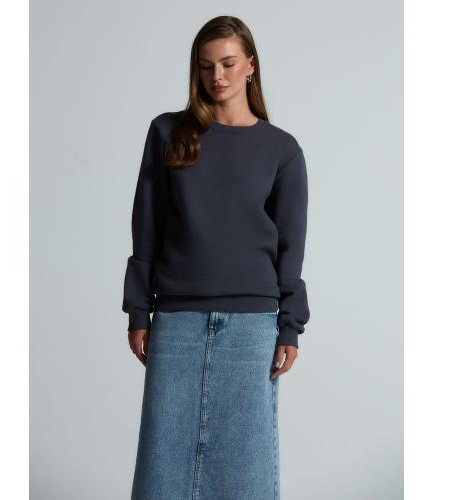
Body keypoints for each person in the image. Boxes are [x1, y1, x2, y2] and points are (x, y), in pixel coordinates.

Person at [122, 15, 310, 500]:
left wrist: (289, 325)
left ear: (251, 66)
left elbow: (291, 247)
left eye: (228, 63)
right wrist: (139, 310)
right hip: (176, 321)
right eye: (206, 66)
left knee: (244, 472)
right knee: (162, 470)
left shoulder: (282, 150)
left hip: (252, 326)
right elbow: (147, 226)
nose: (217, 76)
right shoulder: (168, 133)